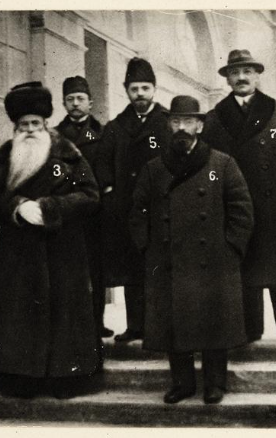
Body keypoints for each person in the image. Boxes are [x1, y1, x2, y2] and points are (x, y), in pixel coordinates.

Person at [0, 82, 100, 399]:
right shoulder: (2, 157)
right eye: (24, 125)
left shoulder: (70, 155)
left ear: (45, 123)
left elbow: (90, 196)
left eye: (36, 124)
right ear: (15, 127)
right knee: (20, 315)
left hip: (63, 250)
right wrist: (17, 207)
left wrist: (49, 208)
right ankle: (21, 380)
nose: (30, 130)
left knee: (64, 313)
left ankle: (65, 380)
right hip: (18, 253)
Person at [130, 95, 254, 404]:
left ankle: (216, 384)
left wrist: (230, 249)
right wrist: (148, 248)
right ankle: (182, 383)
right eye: (176, 122)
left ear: (199, 125)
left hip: (213, 259)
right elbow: (138, 211)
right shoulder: (154, 167)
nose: (181, 127)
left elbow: (242, 210)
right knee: (174, 324)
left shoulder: (222, 163)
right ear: (169, 126)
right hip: (168, 258)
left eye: (188, 121)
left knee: (215, 323)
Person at [202, 49, 276, 343]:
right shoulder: (215, 118)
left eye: (247, 71)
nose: (241, 77)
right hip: (235, 204)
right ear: (227, 79)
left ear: (257, 75)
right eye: (235, 73)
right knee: (243, 266)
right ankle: (250, 329)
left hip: (275, 203)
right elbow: (207, 160)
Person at [94, 57, 172, 343]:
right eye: (134, 89)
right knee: (131, 269)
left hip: (159, 207)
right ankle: (135, 326)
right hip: (126, 209)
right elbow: (102, 163)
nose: (140, 94)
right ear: (126, 90)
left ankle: (159, 328)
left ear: (154, 89)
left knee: (158, 268)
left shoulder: (166, 123)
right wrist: (109, 191)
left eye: (145, 88)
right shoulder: (115, 126)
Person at [54, 76, 113, 339]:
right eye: (70, 99)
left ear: (91, 102)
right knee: (66, 269)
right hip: (67, 212)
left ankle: (96, 322)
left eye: (80, 99)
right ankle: (70, 324)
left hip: (94, 213)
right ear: (64, 103)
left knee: (95, 269)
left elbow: (109, 171)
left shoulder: (103, 134)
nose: (75, 104)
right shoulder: (54, 136)